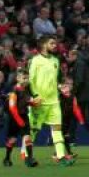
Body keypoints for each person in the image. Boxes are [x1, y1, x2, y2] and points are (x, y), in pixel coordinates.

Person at [28, 36, 73, 166]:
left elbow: (56, 80)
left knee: (57, 130)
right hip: (39, 101)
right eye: (52, 43)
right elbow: (30, 80)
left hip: (54, 101)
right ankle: (27, 155)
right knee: (34, 130)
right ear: (43, 45)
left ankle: (61, 156)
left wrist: (61, 87)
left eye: (55, 43)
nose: (55, 45)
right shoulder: (35, 61)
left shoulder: (55, 60)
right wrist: (35, 95)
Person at [4, 67, 37, 167]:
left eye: (27, 78)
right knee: (13, 140)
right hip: (14, 118)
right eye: (24, 78)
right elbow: (12, 108)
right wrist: (19, 121)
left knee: (27, 137)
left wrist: (33, 104)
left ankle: (30, 159)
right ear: (18, 78)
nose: (26, 80)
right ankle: (7, 158)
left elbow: (26, 102)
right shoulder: (14, 91)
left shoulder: (26, 89)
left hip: (24, 116)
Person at [59, 78, 87, 158]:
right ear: (63, 85)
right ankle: (61, 153)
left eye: (71, 84)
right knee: (62, 135)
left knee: (65, 135)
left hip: (67, 119)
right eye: (68, 84)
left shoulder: (72, 97)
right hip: (59, 119)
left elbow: (76, 108)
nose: (70, 86)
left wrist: (80, 119)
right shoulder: (59, 95)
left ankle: (65, 153)